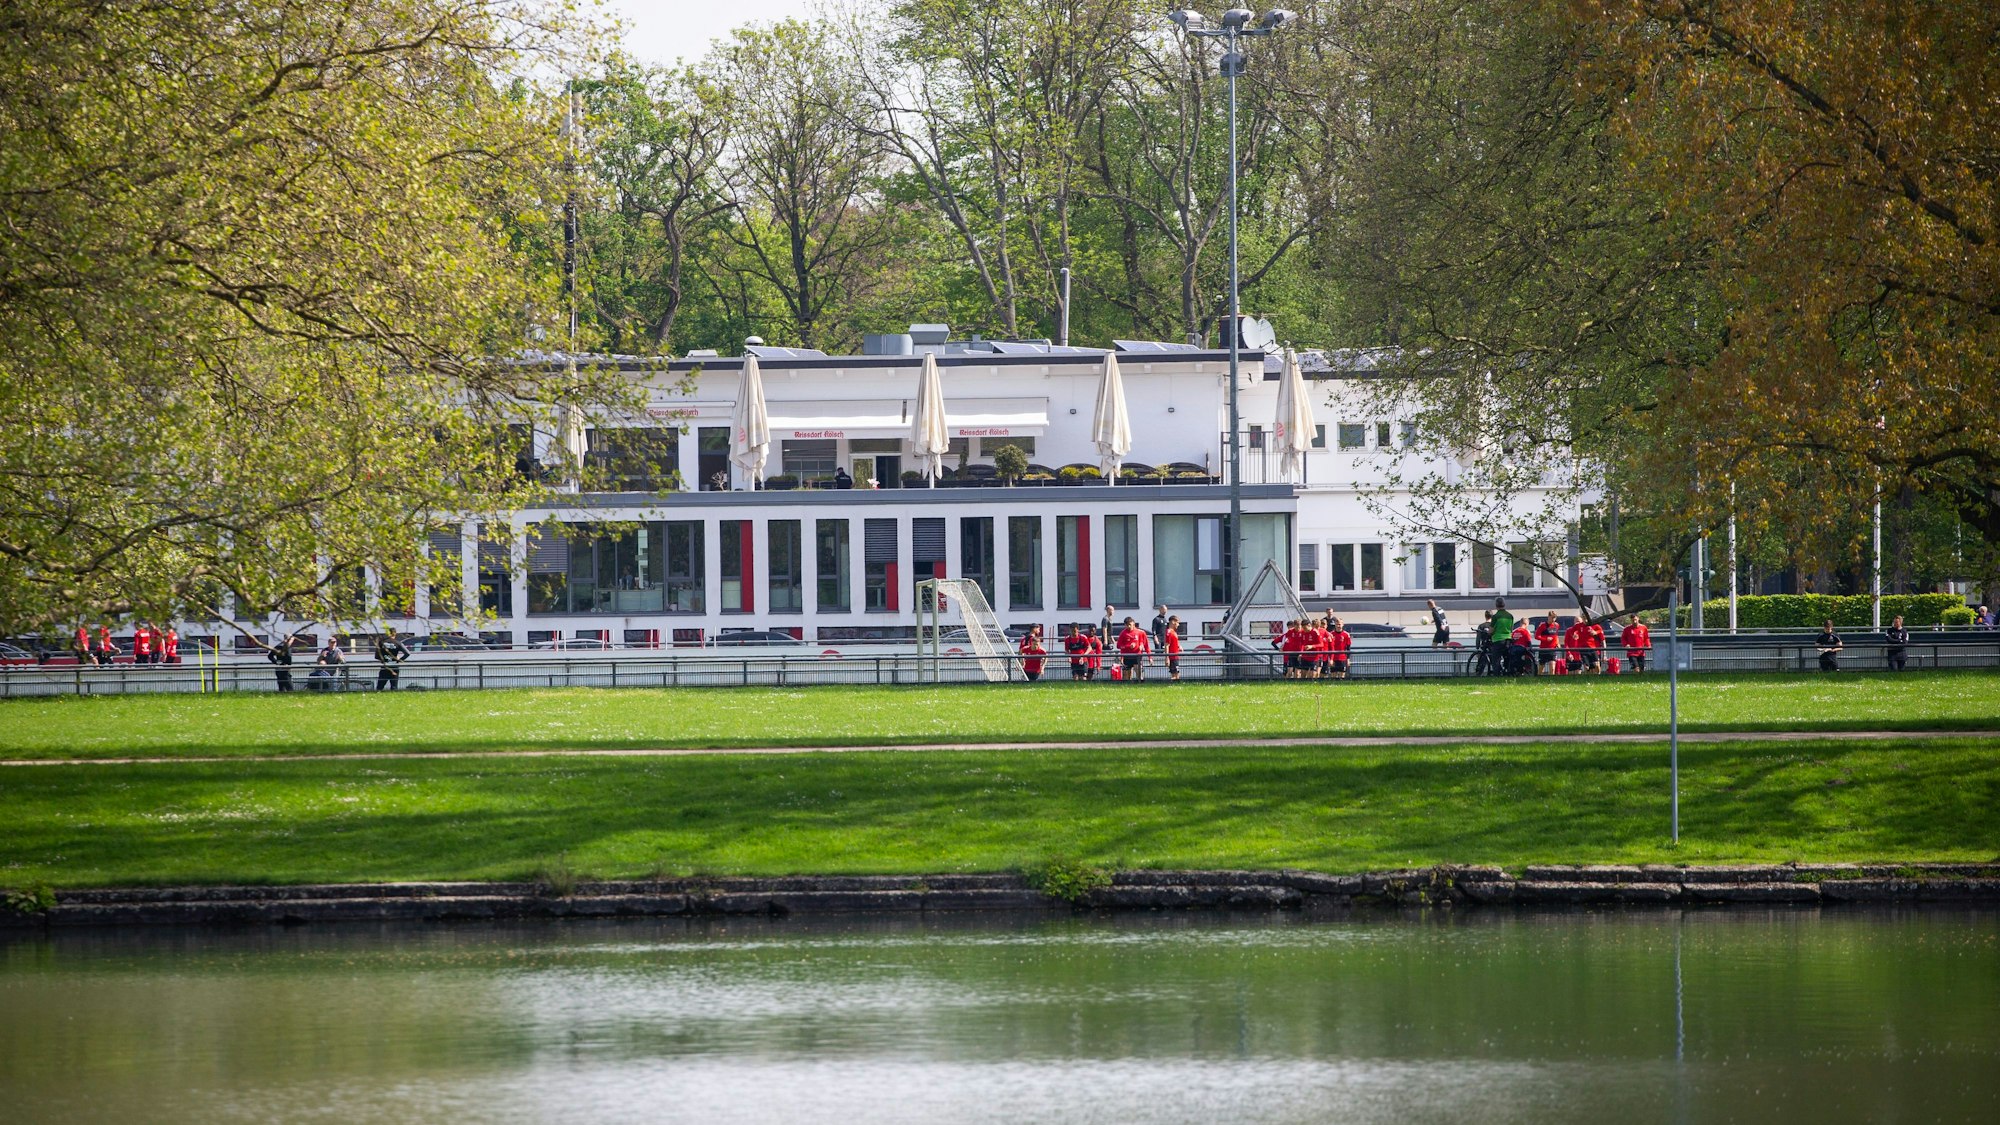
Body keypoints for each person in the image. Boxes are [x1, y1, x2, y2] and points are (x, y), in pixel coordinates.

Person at [1116, 616, 1151, 682]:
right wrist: (1128, 646)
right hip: (1127, 656)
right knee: (1126, 677)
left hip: (1137, 656)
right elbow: (1118, 646)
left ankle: (1140, 686)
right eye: (1127, 625)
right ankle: (1127, 688)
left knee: (1139, 674)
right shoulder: (1123, 633)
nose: (1129, 626)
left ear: (1133, 624)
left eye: (1130, 624)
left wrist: (1150, 657)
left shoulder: (1141, 633)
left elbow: (1146, 646)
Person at [1473, 611, 1495, 675]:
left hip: (1484, 646)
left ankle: (1478, 675)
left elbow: (1478, 638)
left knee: (1481, 664)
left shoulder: (1481, 626)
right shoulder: (1494, 625)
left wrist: (1477, 647)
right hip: (1493, 645)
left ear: (1485, 616)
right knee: (1494, 662)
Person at [1163, 615, 1184, 681]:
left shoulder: (1173, 632)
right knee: (1175, 674)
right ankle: (1170, 684)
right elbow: (1167, 645)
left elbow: (1173, 642)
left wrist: (1178, 646)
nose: (1178, 625)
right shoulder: (1169, 632)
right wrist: (1167, 658)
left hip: (1175, 656)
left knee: (1176, 673)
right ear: (1173, 622)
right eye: (1177, 622)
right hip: (1172, 657)